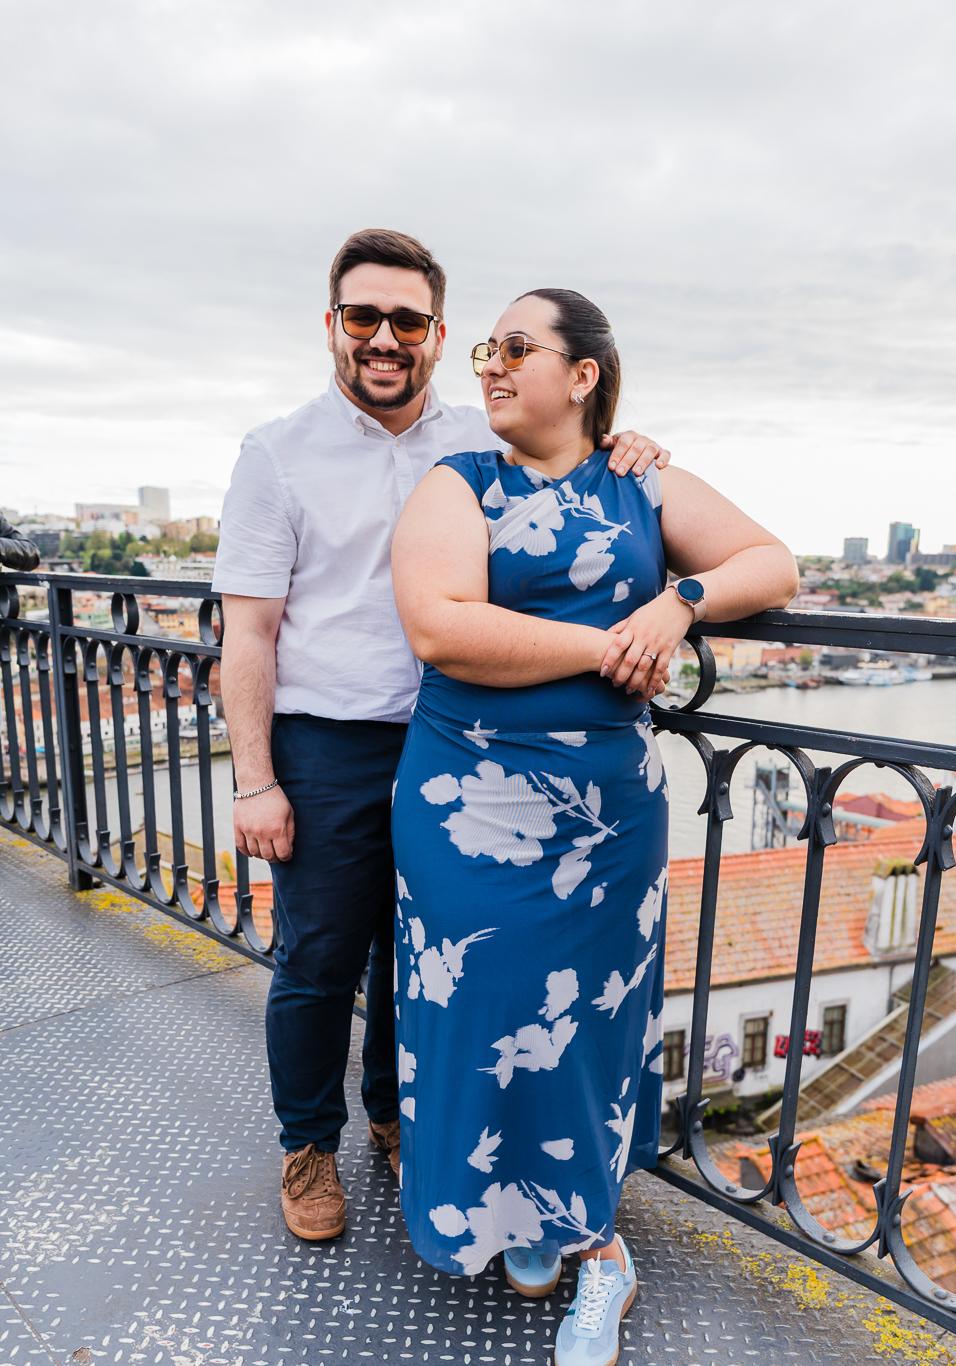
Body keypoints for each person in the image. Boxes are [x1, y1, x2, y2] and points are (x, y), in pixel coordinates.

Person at [213, 229, 669, 1243]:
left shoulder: (479, 432)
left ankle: (394, 1115)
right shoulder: (275, 453)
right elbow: (248, 632)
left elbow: (576, 453)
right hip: (327, 742)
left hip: (462, 746)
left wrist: (632, 445)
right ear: (332, 327)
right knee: (322, 956)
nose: (385, 338)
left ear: (436, 334)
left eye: (408, 321)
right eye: (364, 317)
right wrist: (256, 780)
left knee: (422, 955)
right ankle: (306, 1145)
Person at [391, 288, 798, 1366]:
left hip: (605, 815)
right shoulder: (457, 482)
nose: (490, 364)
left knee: (583, 1025)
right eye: (486, 347)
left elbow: (774, 562)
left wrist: (681, 605)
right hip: (465, 805)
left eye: (516, 346)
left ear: (583, 375)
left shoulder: (640, 481)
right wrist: (604, 643)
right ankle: (516, 1210)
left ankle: (595, 1246)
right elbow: (441, 626)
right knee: (480, 1006)